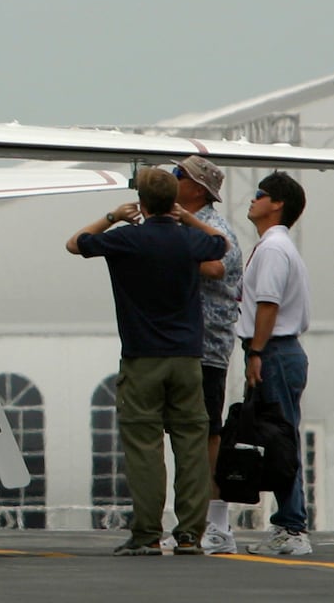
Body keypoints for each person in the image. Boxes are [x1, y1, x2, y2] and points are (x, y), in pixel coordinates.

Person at [65, 166, 228, 556]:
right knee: (191, 445)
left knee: (144, 447)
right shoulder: (189, 240)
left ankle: (146, 534)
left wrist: (112, 217)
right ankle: (190, 534)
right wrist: (187, 217)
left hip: (141, 358)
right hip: (188, 357)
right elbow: (221, 245)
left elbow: (76, 243)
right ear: (171, 201)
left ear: (140, 202)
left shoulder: (127, 240)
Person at [169, 156, 243, 555]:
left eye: (179, 176)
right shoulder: (183, 227)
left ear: (197, 189)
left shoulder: (215, 228)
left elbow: (216, 266)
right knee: (187, 435)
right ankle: (190, 522)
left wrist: (166, 254)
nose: (172, 180)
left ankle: (216, 524)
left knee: (207, 435)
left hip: (206, 349)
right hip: (183, 344)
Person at [237, 171, 312, 557]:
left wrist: (255, 353)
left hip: (274, 350)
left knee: (281, 440)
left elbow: (268, 304)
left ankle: (292, 528)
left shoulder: (271, 249)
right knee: (281, 436)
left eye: (260, 194)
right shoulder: (276, 246)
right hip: (278, 350)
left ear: (277, 204)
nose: (253, 199)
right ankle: (289, 523)